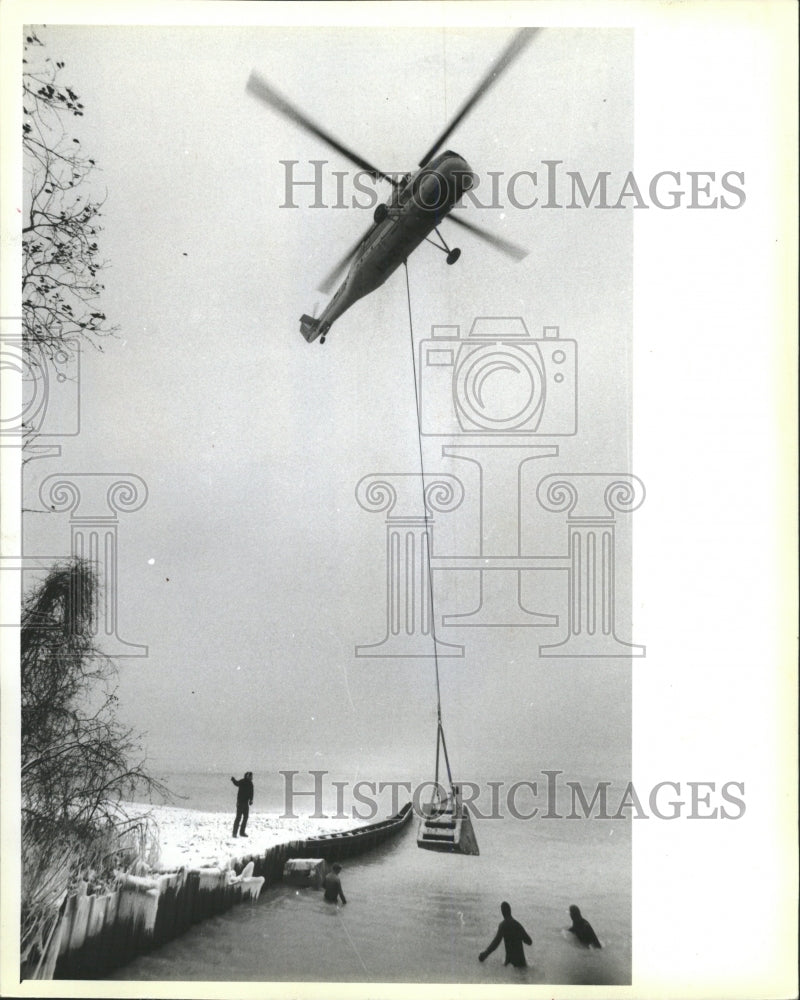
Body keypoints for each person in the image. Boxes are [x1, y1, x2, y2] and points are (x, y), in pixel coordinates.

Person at [479, 901, 532, 967]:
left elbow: (496, 943)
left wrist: (485, 954)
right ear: (510, 911)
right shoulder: (517, 925)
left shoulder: (503, 925)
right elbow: (529, 942)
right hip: (522, 963)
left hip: (510, 963)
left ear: (502, 912)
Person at [230, 771, 254, 838]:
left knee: (245, 818)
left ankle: (242, 832)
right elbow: (236, 783)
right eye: (251, 776)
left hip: (246, 803)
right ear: (248, 776)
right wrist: (233, 780)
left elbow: (251, 793)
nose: (252, 778)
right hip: (240, 803)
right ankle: (234, 833)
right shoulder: (242, 781)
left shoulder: (251, 784)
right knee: (238, 818)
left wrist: (251, 800)